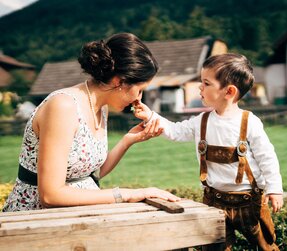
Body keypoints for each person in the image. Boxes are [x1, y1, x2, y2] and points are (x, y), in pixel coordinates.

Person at [2, 33, 180, 212]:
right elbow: (50, 195)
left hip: (80, 215)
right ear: (120, 82)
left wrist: (128, 140)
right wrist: (127, 194)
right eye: (140, 90)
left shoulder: (100, 107)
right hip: (36, 219)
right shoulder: (63, 107)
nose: (139, 99)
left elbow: (89, 174)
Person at [133, 53, 283, 250]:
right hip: (214, 200)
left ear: (229, 91)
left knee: (266, 246)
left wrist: (274, 189)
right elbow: (175, 131)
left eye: (206, 83)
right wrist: (150, 116)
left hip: (249, 201)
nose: (199, 87)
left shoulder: (250, 122)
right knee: (214, 247)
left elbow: (267, 157)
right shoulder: (201, 121)